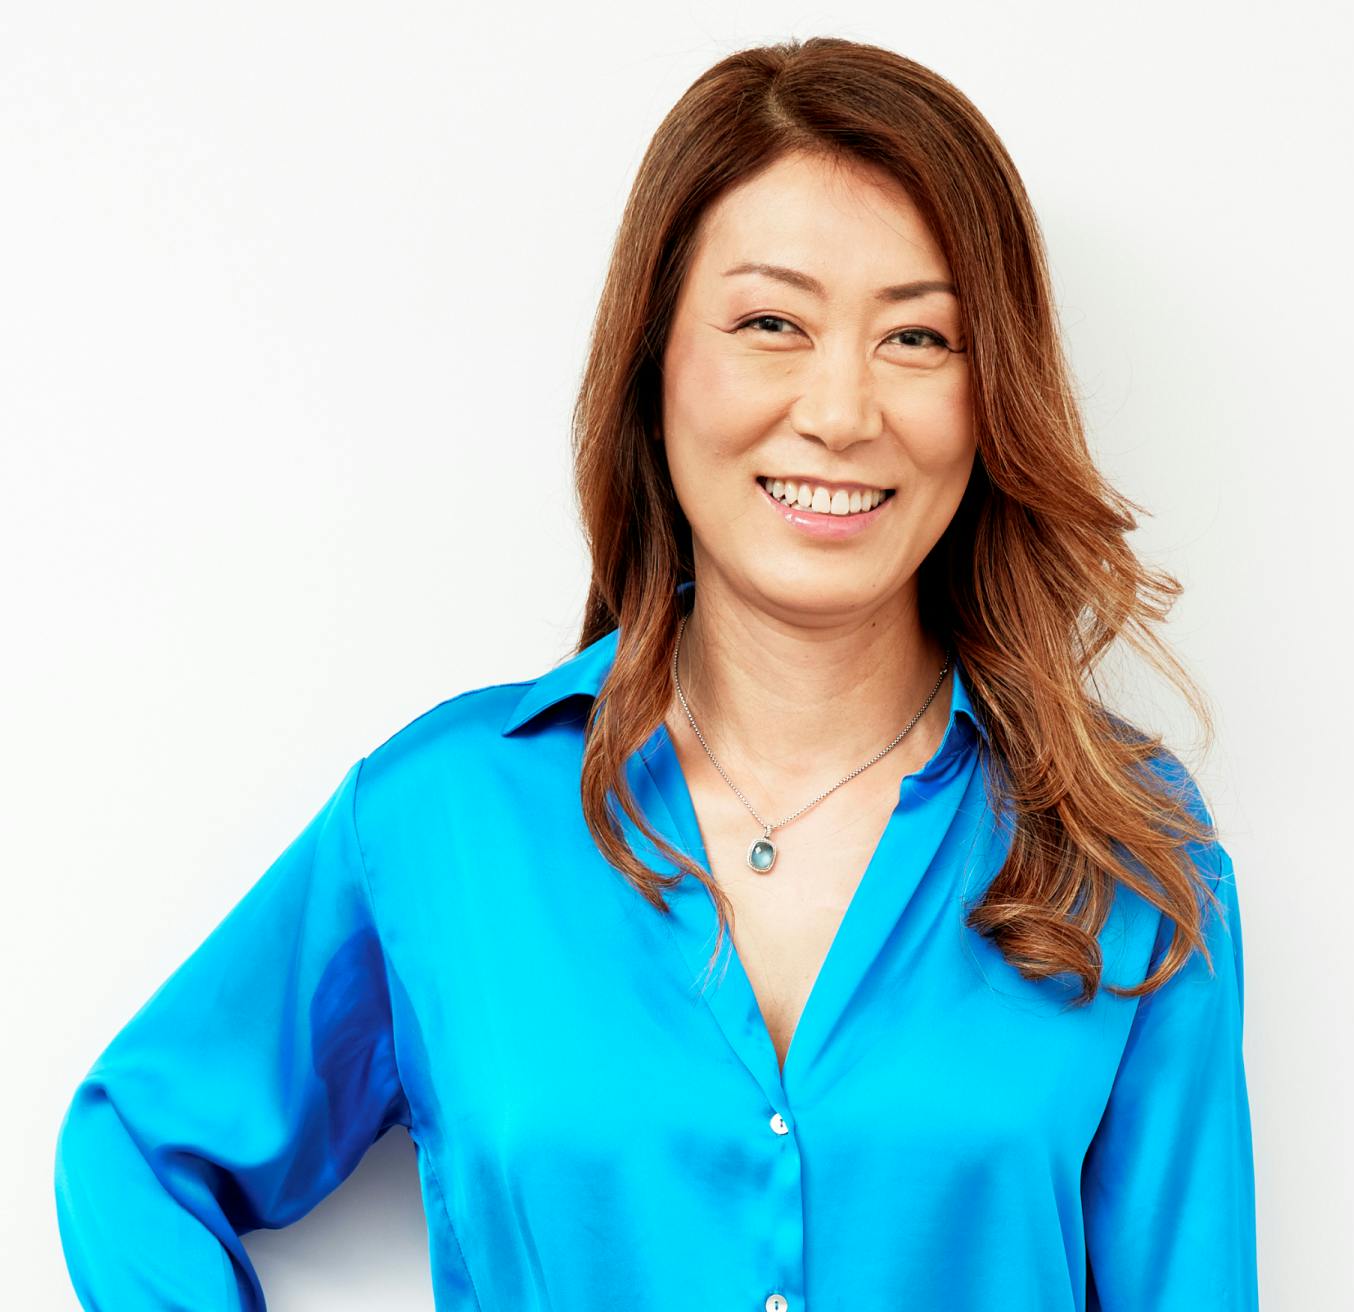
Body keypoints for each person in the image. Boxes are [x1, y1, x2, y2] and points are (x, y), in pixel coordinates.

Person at [53, 35, 1258, 1312]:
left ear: (989, 391)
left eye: (919, 338)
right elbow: (133, 1149)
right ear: (655, 360)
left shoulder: (1130, 852)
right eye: (771, 324)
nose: (844, 411)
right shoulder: (442, 819)